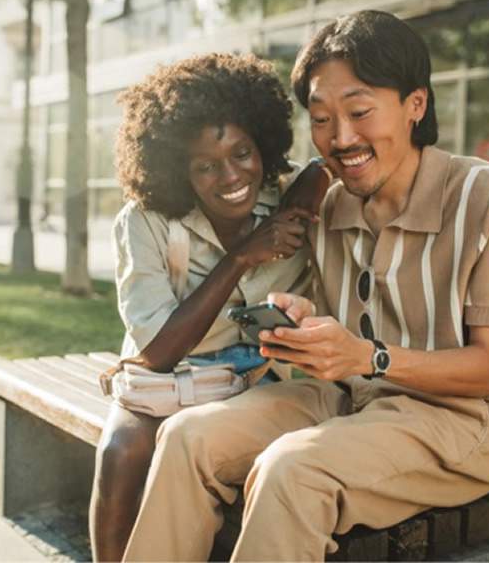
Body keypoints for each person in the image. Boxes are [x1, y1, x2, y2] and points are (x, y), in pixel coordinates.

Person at [121, 10, 489, 562]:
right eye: (321, 119)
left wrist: (368, 357)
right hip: (353, 398)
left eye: (360, 112)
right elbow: (344, 330)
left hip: (466, 420)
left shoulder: (486, 198)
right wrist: (302, 319)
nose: (341, 138)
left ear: (416, 104)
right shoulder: (334, 203)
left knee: (292, 470)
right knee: (186, 438)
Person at [89, 53, 328, 561]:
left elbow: (330, 166)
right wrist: (240, 258)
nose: (231, 175)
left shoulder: (285, 203)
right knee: (122, 451)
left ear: (263, 144)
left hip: (251, 382)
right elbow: (155, 352)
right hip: (166, 379)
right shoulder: (146, 221)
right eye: (206, 166)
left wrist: (312, 178)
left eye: (243, 153)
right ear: (179, 172)